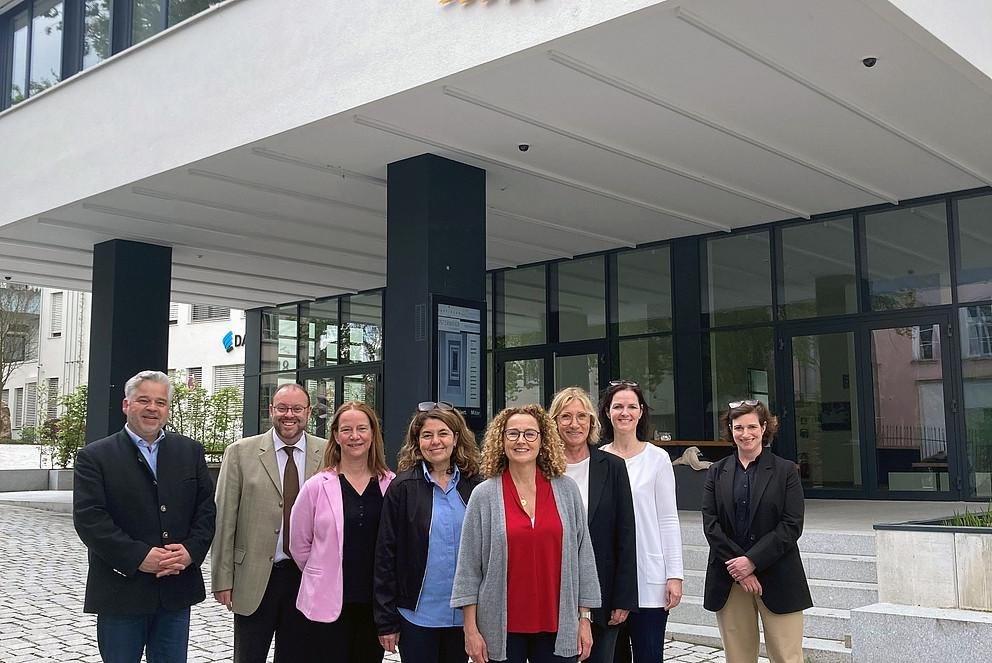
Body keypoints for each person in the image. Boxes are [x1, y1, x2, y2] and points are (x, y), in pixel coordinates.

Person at [73, 370, 215, 663]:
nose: (153, 408)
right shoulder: (95, 456)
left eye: (161, 402)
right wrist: (140, 557)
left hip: (176, 589)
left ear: (168, 408)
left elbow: (206, 510)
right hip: (121, 592)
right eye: (144, 400)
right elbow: (90, 519)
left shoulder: (189, 451)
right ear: (126, 405)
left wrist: (190, 552)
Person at [451, 404, 601, 663]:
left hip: (557, 625)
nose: (522, 440)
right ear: (502, 440)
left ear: (543, 440)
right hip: (500, 631)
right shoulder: (484, 495)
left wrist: (585, 619)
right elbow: (468, 568)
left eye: (530, 434)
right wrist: (471, 630)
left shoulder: (567, 490)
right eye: (513, 434)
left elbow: (583, 557)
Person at [211, 383, 327, 662]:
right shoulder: (240, 452)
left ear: (308, 412)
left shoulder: (326, 452)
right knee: (249, 656)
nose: (290, 415)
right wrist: (222, 579)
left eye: (297, 409)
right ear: (271, 410)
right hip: (254, 577)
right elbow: (225, 518)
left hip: (304, 578)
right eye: (283, 408)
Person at [701, 400, 812, 663]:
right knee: (738, 657)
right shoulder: (716, 472)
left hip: (779, 576)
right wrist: (739, 569)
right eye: (738, 427)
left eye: (752, 426)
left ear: (764, 428)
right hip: (729, 578)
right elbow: (711, 524)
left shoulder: (786, 471)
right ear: (730, 430)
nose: (745, 433)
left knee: (787, 657)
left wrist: (752, 562)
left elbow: (791, 524)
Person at [374, 401, 484, 663]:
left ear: (456, 438)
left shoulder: (477, 486)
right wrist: (386, 621)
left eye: (443, 433)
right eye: (427, 435)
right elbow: (385, 556)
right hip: (417, 615)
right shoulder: (402, 488)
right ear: (417, 442)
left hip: (467, 616)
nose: (435, 441)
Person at [289, 401, 396, 663]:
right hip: (328, 602)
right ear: (336, 435)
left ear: (373, 434)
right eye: (346, 429)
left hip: (375, 605)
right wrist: (323, 571)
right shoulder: (316, 486)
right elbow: (298, 544)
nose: (354, 436)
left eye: (362, 428)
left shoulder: (391, 485)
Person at [550, 387, 638, 663]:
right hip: (553, 595)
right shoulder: (543, 469)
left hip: (603, 595)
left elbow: (625, 534)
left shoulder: (612, 467)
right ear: (554, 423)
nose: (574, 424)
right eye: (565, 416)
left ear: (591, 422)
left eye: (581, 416)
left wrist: (623, 598)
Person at [598, 381, 683, 663]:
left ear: (641, 412)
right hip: (610, 580)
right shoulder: (597, 460)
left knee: (649, 656)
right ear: (607, 413)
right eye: (618, 406)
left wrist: (675, 574)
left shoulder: (657, 459)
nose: (625, 412)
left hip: (650, 577)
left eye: (631, 406)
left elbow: (668, 520)